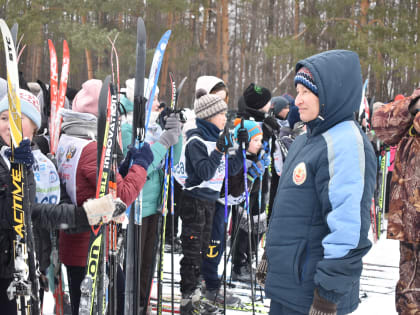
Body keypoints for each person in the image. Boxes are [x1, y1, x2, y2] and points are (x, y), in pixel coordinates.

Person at [265, 50, 377, 315]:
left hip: (313, 295)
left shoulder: (346, 143)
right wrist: (270, 260)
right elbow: (289, 212)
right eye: (297, 91)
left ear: (329, 94)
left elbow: (348, 228)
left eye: (306, 92)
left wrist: (327, 296)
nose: (298, 101)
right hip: (289, 286)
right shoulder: (306, 139)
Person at [0, 88, 123, 314]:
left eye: (19, 118)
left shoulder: (42, 163)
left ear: (35, 127)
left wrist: (91, 214)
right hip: (5, 273)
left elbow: (54, 210)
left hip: (34, 267)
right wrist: (21, 172)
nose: (10, 125)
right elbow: (15, 214)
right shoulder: (5, 163)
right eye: (4, 118)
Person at [56, 79, 153, 315]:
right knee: (109, 303)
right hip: (91, 245)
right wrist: (141, 165)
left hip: (78, 240)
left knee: (89, 304)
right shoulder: (91, 148)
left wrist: (123, 168)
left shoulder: (68, 138)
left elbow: (98, 186)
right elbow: (121, 198)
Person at [119, 78, 184, 312]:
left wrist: (176, 132)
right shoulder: (127, 126)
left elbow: (172, 161)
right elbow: (141, 166)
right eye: (154, 98)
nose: (158, 103)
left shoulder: (152, 125)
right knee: (133, 267)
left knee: (147, 265)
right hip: (133, 207)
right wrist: (164, 142)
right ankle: (128, 305)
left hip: (155, 204)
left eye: (157, 98)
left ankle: (140, 305)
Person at [179, 89, 244, 314]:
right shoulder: (195, 139)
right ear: (209, 116)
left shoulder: (220, 137)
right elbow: (205, 172)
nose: (225, 118)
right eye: (222, 114)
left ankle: (197, 292)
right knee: (193, 251)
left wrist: (239, 148)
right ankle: (188, 298)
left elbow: (233, 169)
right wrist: (219, 149)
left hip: (210, 202)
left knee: (205, 249)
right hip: (194, 201)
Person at [372, 87, 420, 314]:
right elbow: (381, 125)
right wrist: (411, 107)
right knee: (408, 296)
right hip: (410, 221)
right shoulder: (415, 102)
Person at [233, 83, 275, 281]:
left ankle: (247, 260)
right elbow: (244, 152)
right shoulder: (247, 122)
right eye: (267, 101)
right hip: (248, 181)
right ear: (260, 105)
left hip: (260, 181)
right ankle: (239, 264)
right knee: (245, 225)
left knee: (258, 224)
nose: (270, 104)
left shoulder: (263, 120)